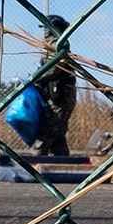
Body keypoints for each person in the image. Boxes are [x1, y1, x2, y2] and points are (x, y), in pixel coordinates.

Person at [30, 14, 77, 156]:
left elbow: (53, 70)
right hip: (56, 94)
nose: (44, 31)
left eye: (46, 27)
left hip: (60, 95)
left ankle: (35, 160)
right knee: (57, 135)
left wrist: (34, 79)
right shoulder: (52, 45)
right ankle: (61, 163)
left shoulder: (57, 44)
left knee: (48, 131)